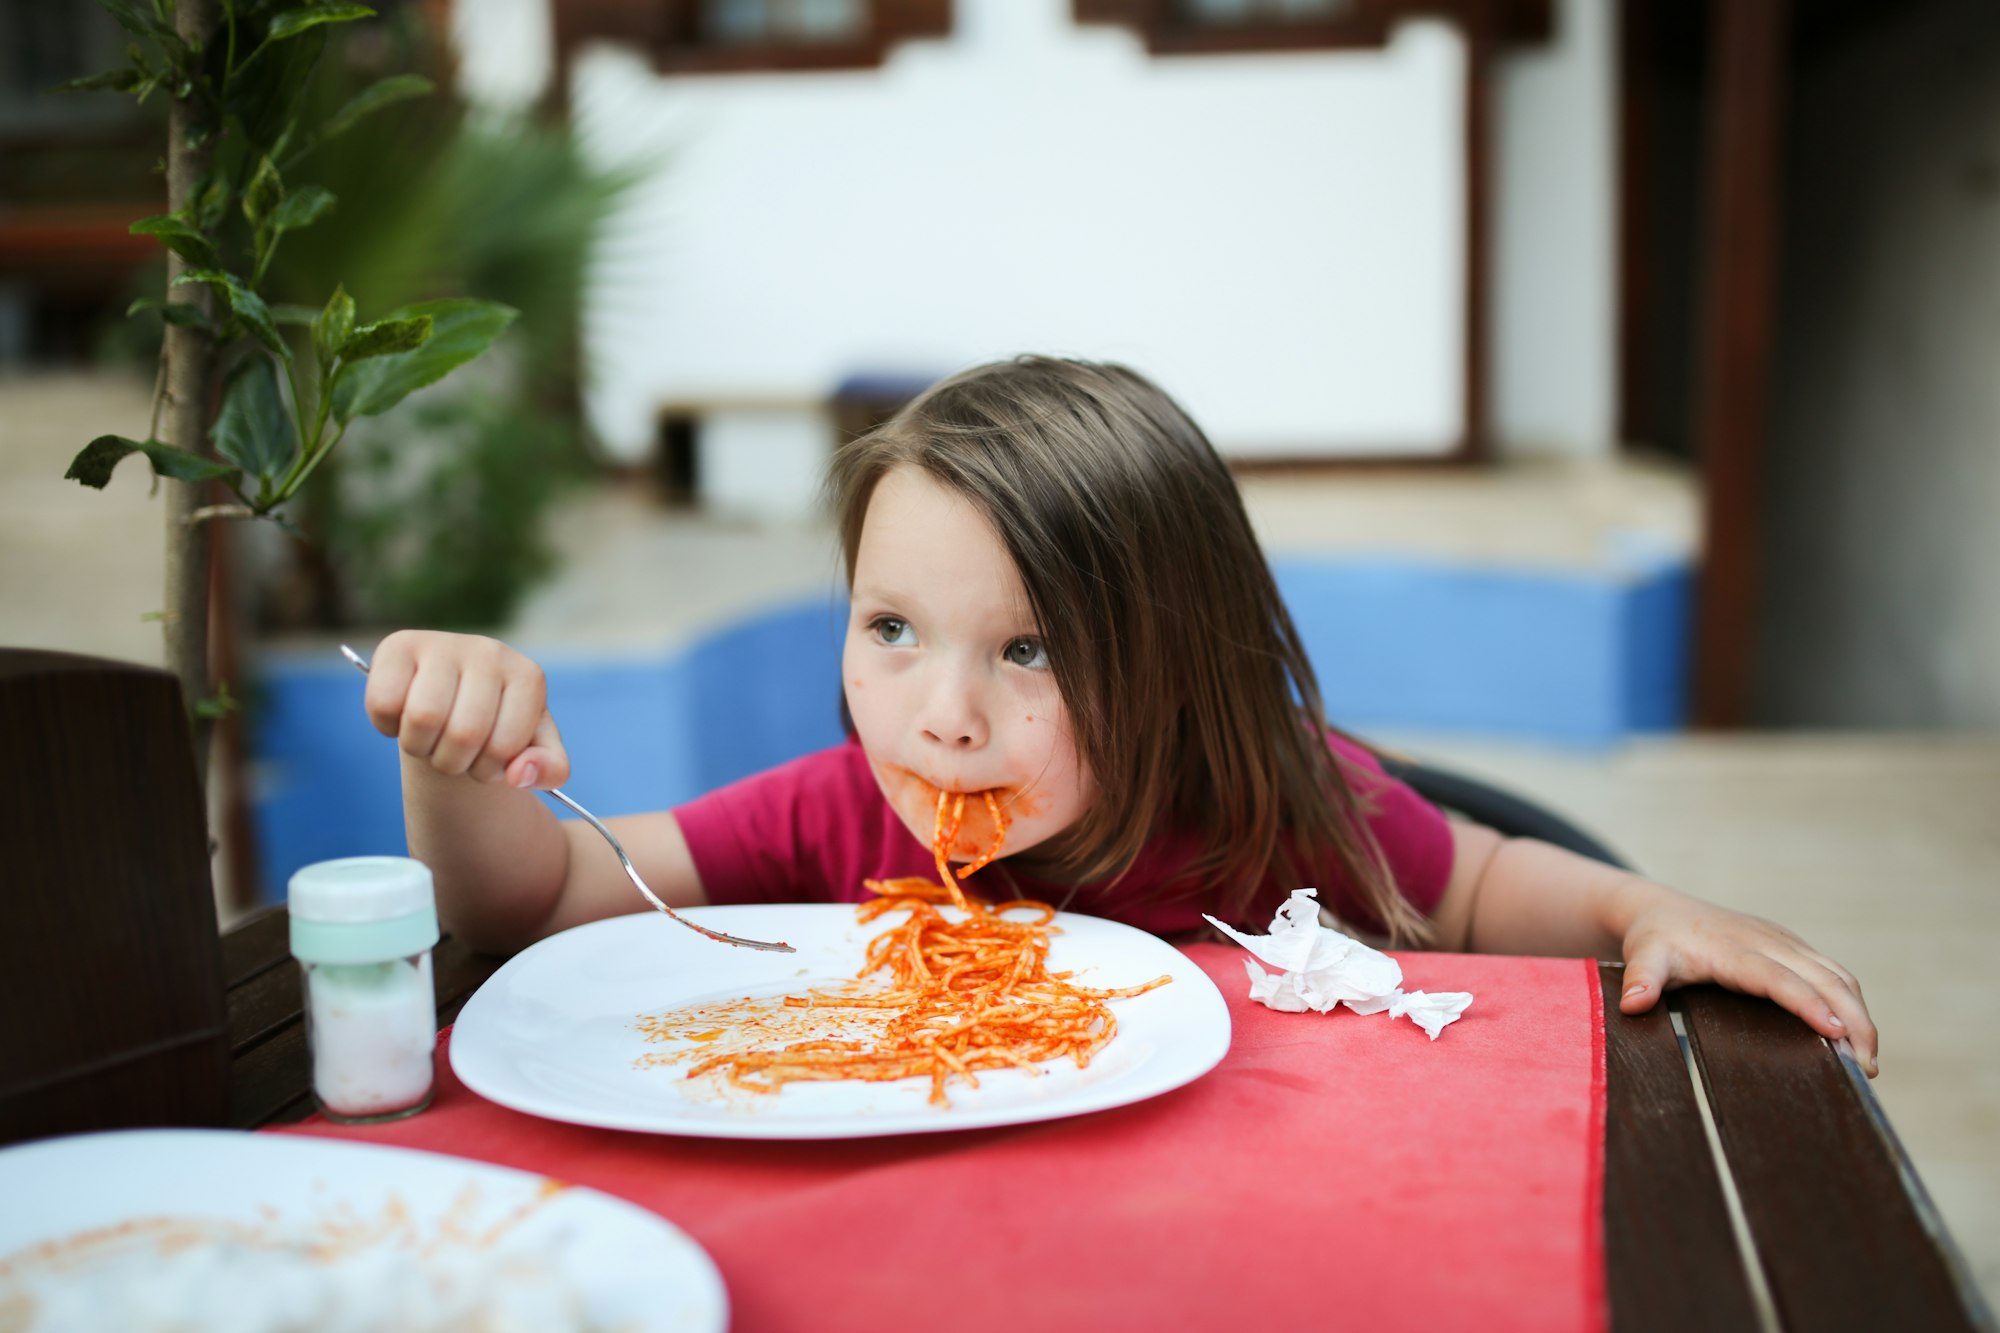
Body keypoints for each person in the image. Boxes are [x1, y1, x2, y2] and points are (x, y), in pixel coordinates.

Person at [361, 355, 1879, 1075]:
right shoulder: (834, 810)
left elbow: (1478, 879)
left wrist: (1644, 903)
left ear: (1175, 659)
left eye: (1031, 652)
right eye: (891, 629)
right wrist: (457, 762)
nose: (938, 719)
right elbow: (541, 896)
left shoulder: (1267, 804)